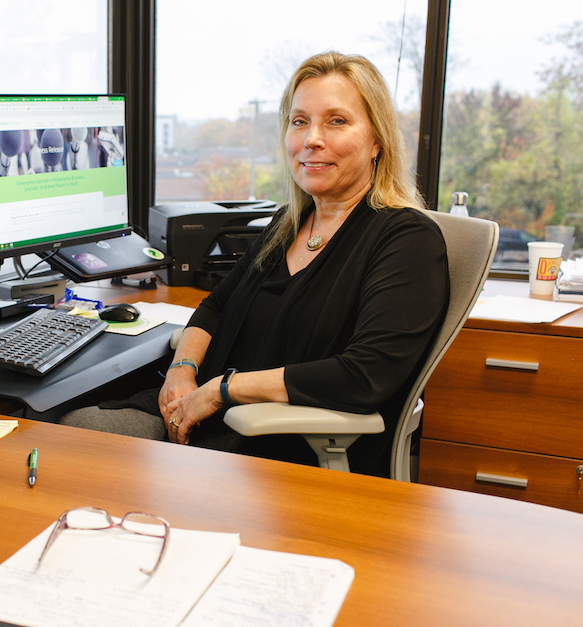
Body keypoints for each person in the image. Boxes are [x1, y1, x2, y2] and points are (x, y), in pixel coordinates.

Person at [60, 51, 449, 477]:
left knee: (76, 447)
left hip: (279, 445)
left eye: (336, 121)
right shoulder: (289, 223)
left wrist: (222, 391)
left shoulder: (405, 239)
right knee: (59, 427)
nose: (310, 139)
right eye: (299, 121)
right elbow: (215, 307)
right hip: (205, 417)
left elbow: (363, 376)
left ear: (377, 140)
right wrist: (182, 372)